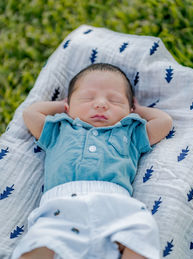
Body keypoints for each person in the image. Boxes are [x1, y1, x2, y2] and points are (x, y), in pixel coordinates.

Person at [12, 63, 172, 259]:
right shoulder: (59, 129)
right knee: (40, 240)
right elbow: (30, 114)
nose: (101, 104)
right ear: (68, 106)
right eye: (87, 98)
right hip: (60, 207)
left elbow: (164, 123)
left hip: (117, 204)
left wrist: (138, 111)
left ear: (130, 110)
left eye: (115, 100)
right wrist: (63, 106)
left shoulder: (130, 133)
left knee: (142, 229)